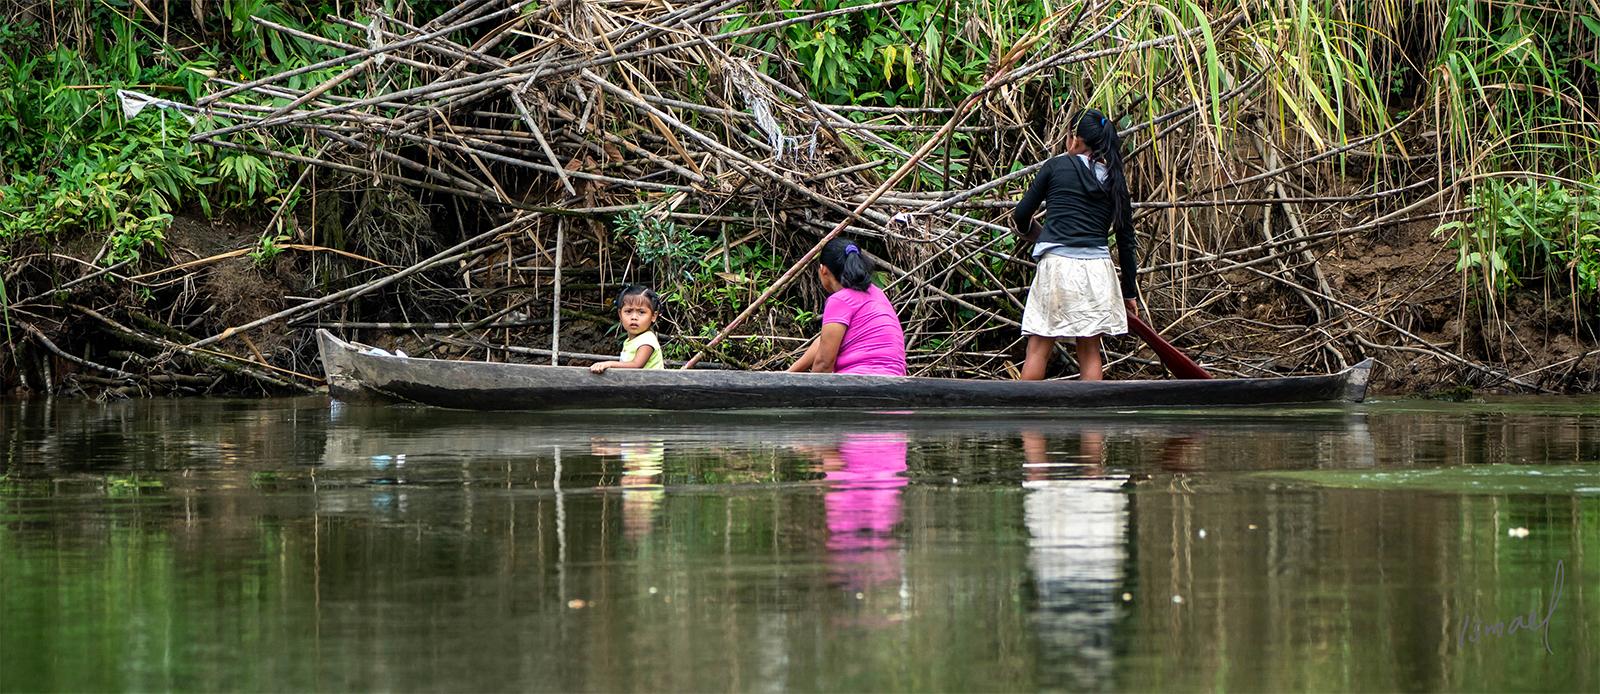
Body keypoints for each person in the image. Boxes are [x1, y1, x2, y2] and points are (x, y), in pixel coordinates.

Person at [1012, 108, 1139, 381]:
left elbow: (1021, 215)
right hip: (1097, 271)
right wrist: (1129, 293)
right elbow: (1126, 241)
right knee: (1090, 351)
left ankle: (1026, 410)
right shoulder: (1115, 179)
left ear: (1076, 140)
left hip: (1057, 269)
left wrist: (1035, 233)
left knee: (1038, 349)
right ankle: (1092, 412)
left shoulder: (1055, 167)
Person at [787, 238, 907, 376]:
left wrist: (808, 389)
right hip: (896, 380)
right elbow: (824, 342)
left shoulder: (839, 300)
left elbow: (824, 363)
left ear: (823, 270)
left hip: (859, 380)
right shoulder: (877, 294)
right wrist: (787, 374)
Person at [590, 284, 664, 373]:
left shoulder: (647, 341)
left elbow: (636, 365)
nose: (634, 317)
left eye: (641, 312)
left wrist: (609, 364)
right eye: (628, 311)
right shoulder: (631, 340)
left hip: (652, 382)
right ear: (620, 314)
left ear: (653, 316)